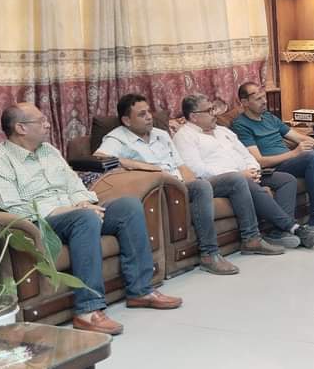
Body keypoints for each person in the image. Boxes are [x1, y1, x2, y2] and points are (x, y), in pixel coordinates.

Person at [0, 103, 182, 335]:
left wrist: (84, 202)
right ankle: (88, 310)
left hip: (76, 211)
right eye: (41, 121)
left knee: (128, 206)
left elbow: (74, 184)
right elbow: (12, 209)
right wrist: (69, 210)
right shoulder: (0, 160)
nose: (48, 124)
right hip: (42, 222)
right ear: (20, 128)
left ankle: (141, 290)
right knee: (84, 219)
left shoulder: (49, 150)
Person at [94, 94, 242, 275]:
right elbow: (98, 158)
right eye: (142, 114)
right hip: (158, 191)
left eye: (149, 112)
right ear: (126, 120)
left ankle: (249, 238)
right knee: (202, 188)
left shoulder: (161, 135)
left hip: (180, 185)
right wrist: (139, 165)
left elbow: (182, 166)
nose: (149, 117)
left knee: (224, 181)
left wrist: (191, 183)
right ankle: (209, 254)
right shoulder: (117, 138)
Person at [172, 94, 314, 250]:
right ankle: (293, 227)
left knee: (286, 180)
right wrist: (240, 174)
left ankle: (278, 232)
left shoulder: (223, 131)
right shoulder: (184, 136)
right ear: (194, 117)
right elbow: (196, 169)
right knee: (241, 181)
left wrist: (253, 170)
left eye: (213, 109)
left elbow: (246, 154)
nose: (214, 113)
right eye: (209, 110)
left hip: (247, 174)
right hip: (221, 181)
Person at [231, 82, 314, 233]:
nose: (264, 101)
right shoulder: (240, 125)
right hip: (276, 168)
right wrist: (294, 153)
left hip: (293, 160)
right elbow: (259, 161)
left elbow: (297, 137)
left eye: (264, 97)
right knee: (312, 157)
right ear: (244, 102)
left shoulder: (269, 117)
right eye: (258, 99)